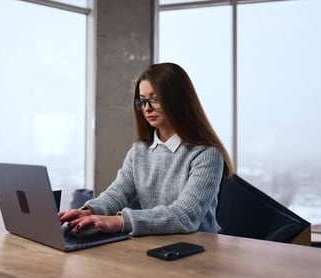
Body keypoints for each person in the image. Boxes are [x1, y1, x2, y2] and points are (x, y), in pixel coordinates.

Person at [58, 62, 233, 236]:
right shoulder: (139, 151)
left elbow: (185, 216)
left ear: (178, 100)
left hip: (200, 249)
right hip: (155, 243)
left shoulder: (206, 154)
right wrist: (89, 211)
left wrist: (121, 221)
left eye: (155, 99)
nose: (147, 108)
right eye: (142, 101)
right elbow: (117, 193)